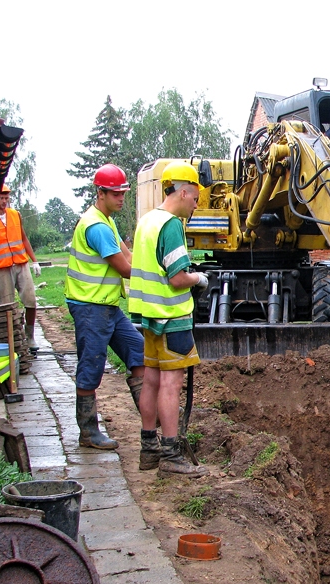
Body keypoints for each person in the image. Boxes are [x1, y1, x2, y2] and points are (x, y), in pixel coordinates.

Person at [129, 161, 209, 477]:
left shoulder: (147, 221)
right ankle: (171, 454)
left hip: (149, 317)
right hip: (171, 317)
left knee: (151, 380)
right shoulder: (171, 225)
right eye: (195, 198)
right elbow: (177, 278)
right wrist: (198, 278)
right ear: (183, 191)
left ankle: (148, 449)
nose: (196, 205)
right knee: (171, 384)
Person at [65, 164, 146, 451]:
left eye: (123, 192)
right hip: (90, 307)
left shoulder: (107, 220)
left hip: (107, 306)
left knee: (138, 351)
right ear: (100, 193)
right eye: (115, 193)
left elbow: (129, 256)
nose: (121, 198)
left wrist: (154, 262)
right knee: (91, 366)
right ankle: (88, 431)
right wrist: (162, 277)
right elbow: (125, 268)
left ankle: (152, 418)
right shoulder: (96, 226)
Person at [0, 185, 41, 350]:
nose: (4, 201)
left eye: (6, 198)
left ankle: (30, 336)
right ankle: (12, 339)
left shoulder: (15, 215)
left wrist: (34, 261)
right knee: (6, 306)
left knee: (31, 301)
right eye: (1, 198)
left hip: (21, 263)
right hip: (2, 268)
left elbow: (24, 238)